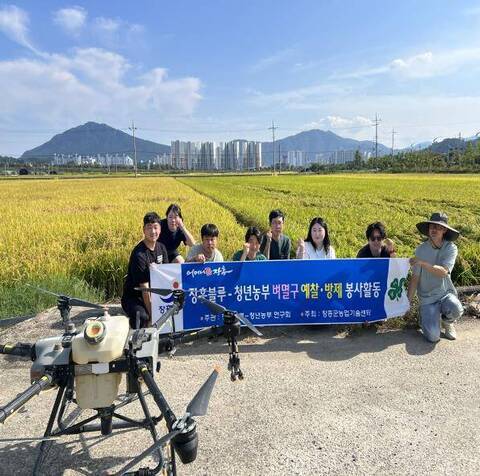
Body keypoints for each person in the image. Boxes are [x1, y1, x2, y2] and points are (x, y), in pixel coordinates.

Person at [407, 212, 463, 343]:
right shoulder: (420, 250)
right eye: (432, 226)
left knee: (456, 308)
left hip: (445, 294)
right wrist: (408, 301)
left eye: (438, 227)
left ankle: (447, 322)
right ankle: (424, 317)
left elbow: (443, 272)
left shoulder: (451, 248)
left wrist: (423, 263)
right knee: (433, 337)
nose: (434, 229)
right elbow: (415, 278)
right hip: (427, 298)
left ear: (444, 230)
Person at [121, 212, 169, 329]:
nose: (153, 232)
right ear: (144, 230)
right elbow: (144, 289)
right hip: (134, 297)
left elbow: (166, 275)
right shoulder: (139, 255)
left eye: (155, 227)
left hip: (155, 294)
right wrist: (153, 315)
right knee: (144, 317)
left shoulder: (161, 248)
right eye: (149, 228)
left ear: (160, 229)